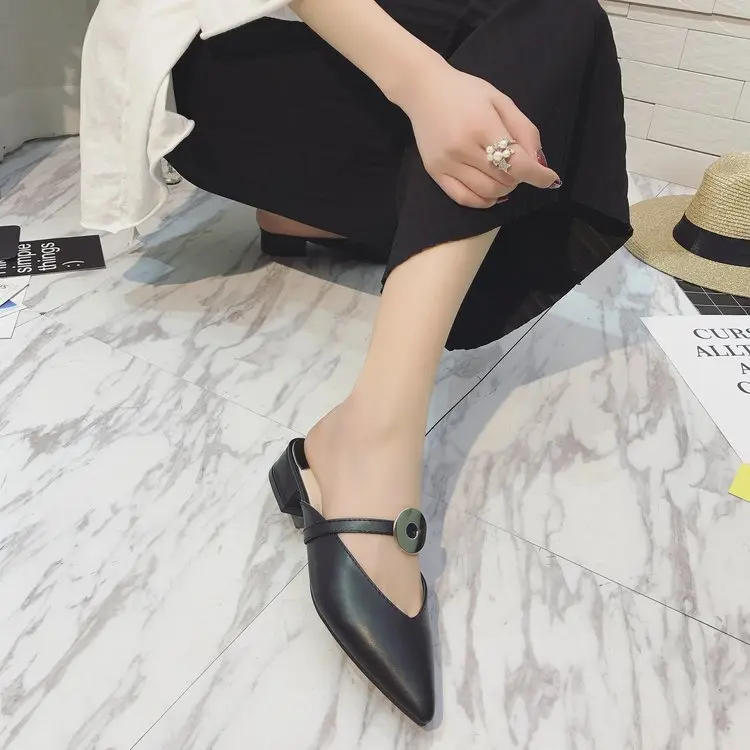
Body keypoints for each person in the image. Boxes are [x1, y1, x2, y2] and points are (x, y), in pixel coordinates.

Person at [80, 0, 632, 726]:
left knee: (550, 23)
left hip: (349, 97)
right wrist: (426, 85)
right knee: (547, 20)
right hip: (227, 77)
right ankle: (373, 441)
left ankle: (350, 411)